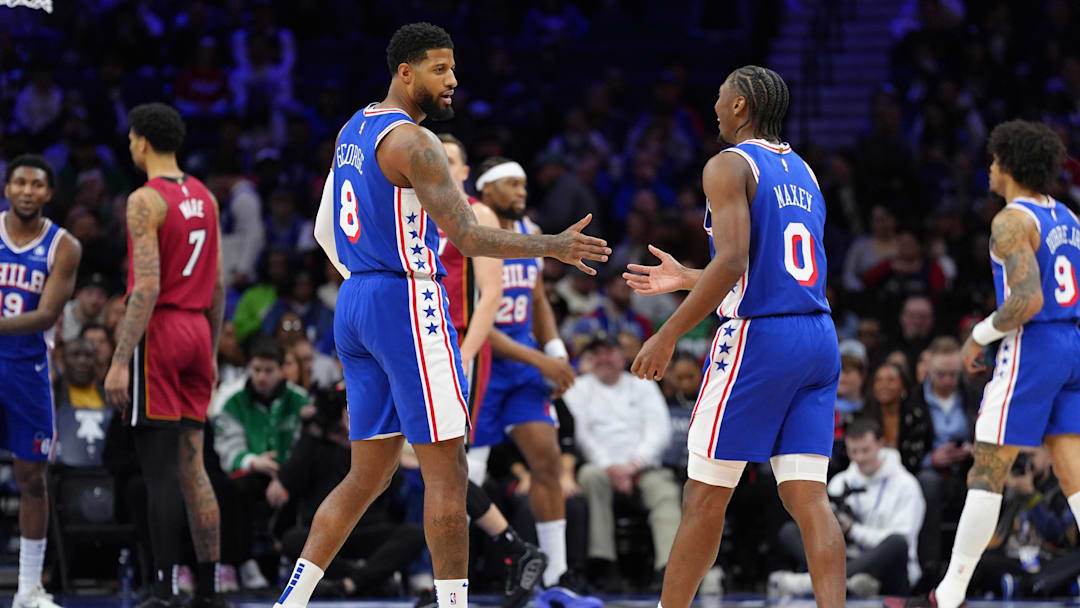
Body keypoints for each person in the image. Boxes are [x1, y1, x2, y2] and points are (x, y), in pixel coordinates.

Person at [278, 22, 608, 608]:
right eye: (439, 69)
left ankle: (293, 600)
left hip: (356, 303)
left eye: (454, 69)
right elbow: (471, 237)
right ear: (405, 72)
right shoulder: (416, 144)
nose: (453, 81)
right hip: (406, 299)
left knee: (368, 476)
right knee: (448, 471)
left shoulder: (353, 128)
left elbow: (324, 228)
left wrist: (364, 272)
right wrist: (551, 246)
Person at [623, 66, 846, 608]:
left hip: (761, 341)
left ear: (742, 105)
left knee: (703, 496)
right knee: (807, 496)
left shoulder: (727, 165)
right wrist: (688, 278)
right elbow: (776, 273)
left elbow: (734, 260)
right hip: (818, 336)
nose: (716, 108)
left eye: (721, 98)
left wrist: (668, 333)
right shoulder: (804, 171)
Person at [885, 120, 1080, 608]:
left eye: (994, 160)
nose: (989, 168)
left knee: (988, 468)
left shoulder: (1011, 220)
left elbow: (1028, 300)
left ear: (1010, 164)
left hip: (1033, 347)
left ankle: (947, 597)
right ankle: (947, 595)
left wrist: (977, 335)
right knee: (1073, 471)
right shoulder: (1070, 219)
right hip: (1072, 342)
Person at [103, 103, 227, 608]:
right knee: (194, 466)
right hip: (199, 329)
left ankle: (162, 589)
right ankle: (211, 590)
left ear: (141, 142)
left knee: (160, 473)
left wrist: (118, 358)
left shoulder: (143, 201)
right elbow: (218, 286)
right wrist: (213, 350)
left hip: (163, 330)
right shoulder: (207, 197)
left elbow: (147, 286)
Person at [467, 154, 599, 606]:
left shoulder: (531, 233)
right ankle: (447, 581)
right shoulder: (473, 235)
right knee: (468, 477)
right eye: (512, 184)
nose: (523, 191)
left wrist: (556, 350)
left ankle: (556, 578)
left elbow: (539, 297)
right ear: (486, 191)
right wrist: (543, 362)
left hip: (523, 367)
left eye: (525, 184)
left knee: (546, 460)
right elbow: (476, 320)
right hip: (481, 362)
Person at [437, 133, 549, 608]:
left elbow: (493, 294)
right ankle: (513, 551)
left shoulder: (475, 215)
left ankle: (464, 580)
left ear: (465, 172)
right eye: (431, 157)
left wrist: (466, 352)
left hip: (462, 346)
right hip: (426, 345)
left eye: (448, 159)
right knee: (436, 469)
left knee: (446, 466)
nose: (437, 165)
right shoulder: (415, 209)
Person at [0, 154, 82, 608]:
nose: (27, 191)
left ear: (48, 193)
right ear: (8, 188)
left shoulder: (64, 245)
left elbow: (48, 314)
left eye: (36, 184)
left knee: (32, 480)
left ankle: (29, 588)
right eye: (20, 182)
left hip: (28, 371)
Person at [563, 332, 679, 589]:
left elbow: (660, 431)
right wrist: (610, 467)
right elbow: (581, 435)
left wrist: (634, 464)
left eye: (609, 351)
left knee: (666, 492)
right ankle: (604, 563)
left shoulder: (643, 385)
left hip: (643, 467)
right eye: (597, 353)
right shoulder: (579, 388)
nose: (603, 358)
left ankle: (669, 569)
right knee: (590, 478)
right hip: (601, 467)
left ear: (622, 356)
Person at [773, 417, 925, 598]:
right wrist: (834, 526)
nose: (859, 458)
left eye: (865, 451)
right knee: (791, 531)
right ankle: (848, 581)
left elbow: (905, 540)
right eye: (854, 452)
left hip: (885, 567)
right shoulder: (840, 482)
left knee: (896, 544)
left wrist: (853, 529)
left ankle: (809, 582)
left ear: (881, 444)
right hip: (845, 558)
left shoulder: (906, 485)